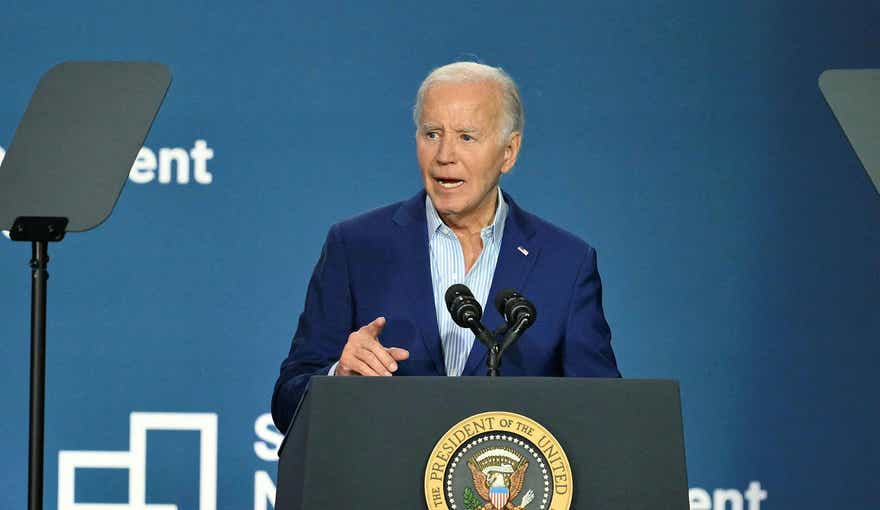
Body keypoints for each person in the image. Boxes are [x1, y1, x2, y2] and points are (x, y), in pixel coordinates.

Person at [271, 62, 620, 432]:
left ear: (509, 151)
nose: (444, 155)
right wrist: (338, 378)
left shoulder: (565, 264)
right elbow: (287, 400)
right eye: (432, 133)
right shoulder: (356, 247)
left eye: (466, 137)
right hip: (384, 484)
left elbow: (603, 415)